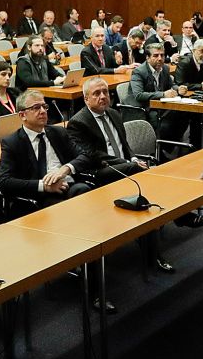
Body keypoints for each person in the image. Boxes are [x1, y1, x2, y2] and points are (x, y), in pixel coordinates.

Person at [67, 76, 174, 275]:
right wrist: (129, 163)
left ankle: (155, 250)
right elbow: (92, 155)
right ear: (86, 99)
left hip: (124, 167)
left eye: (105, 92)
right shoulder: (78, 122)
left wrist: (132, 159)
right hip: (100, 172)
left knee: (149, 183)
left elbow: (126, 148)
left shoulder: (115, 114)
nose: (102, 97)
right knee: (142, 174)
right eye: (96, 94)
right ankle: (180, 218)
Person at [0, 91, 91, 209]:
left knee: (83, 190)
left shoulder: (58, 132)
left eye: (44, 106)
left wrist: (65, 169)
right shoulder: (12, 142)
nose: (42, 111)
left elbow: (85, 156)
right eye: (36, 108)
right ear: (22, 115)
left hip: (67, 186)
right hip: (38, 197)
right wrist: (44, 186)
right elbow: (4, 182)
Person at [128, 41, 188, 145]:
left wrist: (178, 89)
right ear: (147, 57)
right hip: (145, 108)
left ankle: (167, 148)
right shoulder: (139, 72)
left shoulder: (165, 68)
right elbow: (139, 95)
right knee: (166, 125)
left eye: (162, 55)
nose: (160, 58)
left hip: (162, 106)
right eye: (155, 55)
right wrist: (163, 94)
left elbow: (171, 85)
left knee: (184, 116)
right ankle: (159, 150)